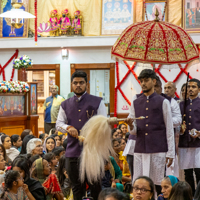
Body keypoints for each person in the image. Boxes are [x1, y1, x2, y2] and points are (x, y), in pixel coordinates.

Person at [56, 71, 107, 200]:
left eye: (81, 83)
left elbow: (104, 123)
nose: (78, 85)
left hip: (93, 151)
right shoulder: (65, 104)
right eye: (75, 83)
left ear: (86, 84)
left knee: (95, 187)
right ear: (71, 84)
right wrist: (68, 127)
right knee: (77, 188)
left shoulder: (97, 102)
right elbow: (58, 124)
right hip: (72, 151)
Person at [126, 69, 175, 195]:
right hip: (140, 148)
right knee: (140, 184)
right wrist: (131, 125)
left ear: (154, 81)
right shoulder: (135, 102)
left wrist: (170, 153)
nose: (143, 83)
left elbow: (169, 128)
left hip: (158, 148)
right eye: (141, 81)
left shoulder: (163, 101)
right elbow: (134, 131)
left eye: (146, 80)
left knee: (157, 183)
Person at [178, 78, 200, 195]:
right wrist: (180, 130)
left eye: (194, 87)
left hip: (198, 144)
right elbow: (177, 123)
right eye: (189, 87)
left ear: (199, 89)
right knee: (187, 173)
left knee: (199, 171)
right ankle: (190, 196)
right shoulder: (181, 104)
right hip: (184, 143)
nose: (190, 89)